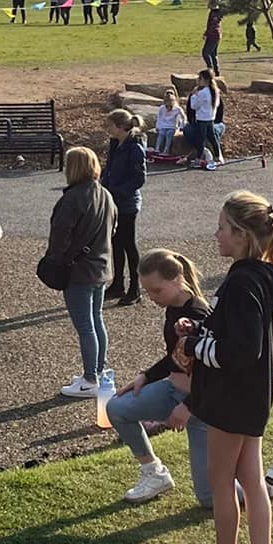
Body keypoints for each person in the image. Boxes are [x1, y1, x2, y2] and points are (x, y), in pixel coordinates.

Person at [176, 190, 273, 544]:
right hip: (250, 398)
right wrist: (200, 329)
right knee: (250, 481)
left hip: (232, 400)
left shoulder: (244, 279)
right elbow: (232, 329)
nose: (216, 235)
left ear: (243, 235)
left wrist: (196, 349)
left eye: (223, 228)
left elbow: (241, 350)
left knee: (222, 483)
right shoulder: (257, 276)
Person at [105, 249, 213, 503]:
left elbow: (213, 373)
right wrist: (146, 376)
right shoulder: (174, 307)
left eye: (157, 290)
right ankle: (155, 474)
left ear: (177, 280)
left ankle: (265, 485)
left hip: (201, 405)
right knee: (117, 408)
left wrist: (187, 407)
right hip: (172, 391)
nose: (152, 297)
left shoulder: (198, 314)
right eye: (147, 290)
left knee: (210, 499)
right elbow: (176, 356)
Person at [43, 145, 115, 398]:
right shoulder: (105, 194)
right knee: (96, 321)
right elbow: (112, 229)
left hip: (80, 272)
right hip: (102, 268)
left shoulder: (72, 199)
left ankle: (89, 378)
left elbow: (60, 237)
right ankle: (98, 370)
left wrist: (55, 259)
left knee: (85, 325)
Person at [102, 109, 147, 303]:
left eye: (111, 125)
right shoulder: (115, 144)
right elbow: (110, 169)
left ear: (120, 127)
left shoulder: (135, 148)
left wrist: (118, 191)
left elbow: (139, 178)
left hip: (127, 203)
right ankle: (118, 284)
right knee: (116, 243)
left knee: (128, 244)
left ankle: (135, 288)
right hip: (113, 201)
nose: (108, 129)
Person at [187, 70, 222, 170]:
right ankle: (217, 156)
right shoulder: (215, 91)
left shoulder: (202, 93)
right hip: (210, 118)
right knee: (212, 137)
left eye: (200, 78)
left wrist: (194, 95)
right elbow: (217, 105)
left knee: (201, 139)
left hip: (202, 119)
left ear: (205, 80)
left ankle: (198, 159)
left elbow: (194, 106)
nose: (198, 80)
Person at [154, 88, 185, 157]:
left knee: (169, 134)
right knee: (161, 133)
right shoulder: (162, 108)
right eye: (166, 106)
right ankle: (157, 149)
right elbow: (159, 117)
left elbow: (183, 117)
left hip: (172, 126)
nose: (168, 108)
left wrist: (182, 127)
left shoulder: (178, 109)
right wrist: (158, 126)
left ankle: (166, 150)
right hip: (163, 126)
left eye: (170, 106)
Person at [201, 2, 223, 73]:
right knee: (213, 54)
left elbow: (213, 25)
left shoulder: (214, 13)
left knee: (205, 53)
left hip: (213, 35)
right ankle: (216, 71)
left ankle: (210, 69)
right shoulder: (214, 12)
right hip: (216, 34)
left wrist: (206, 34)